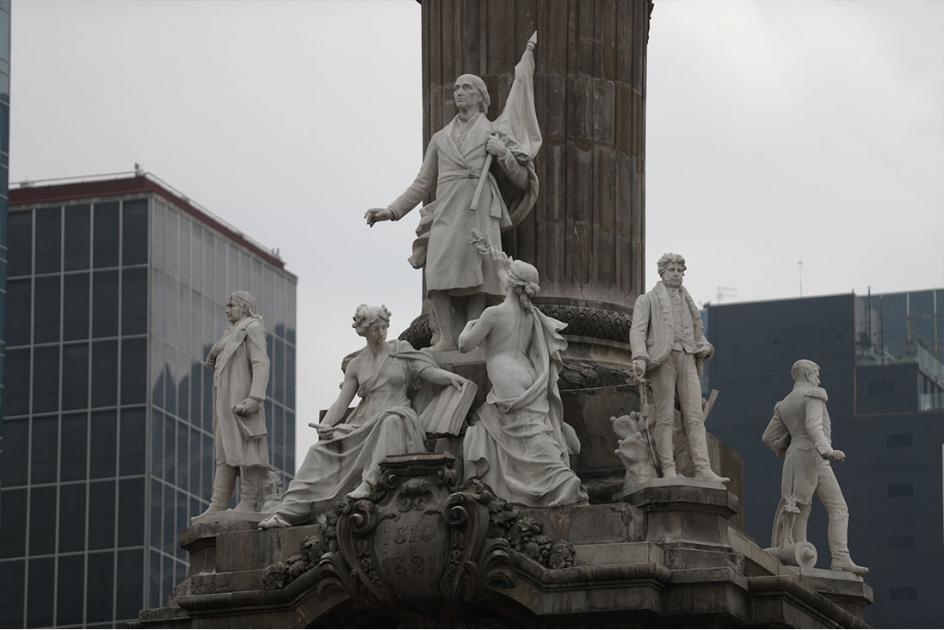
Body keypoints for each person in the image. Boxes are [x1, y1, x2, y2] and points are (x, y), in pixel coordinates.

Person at [364, 73, 538, 351]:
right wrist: (391, 211)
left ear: (481, 96)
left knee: (480, 275)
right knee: (436, 273)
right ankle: (446, 338)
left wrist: (503, 153)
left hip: (478, 208)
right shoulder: (440, 138)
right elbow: (422, 184)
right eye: (456, 88)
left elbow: (520, 179)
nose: (459, 92)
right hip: (447, 208)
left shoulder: (494, 132)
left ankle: (473, 337)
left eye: (466, 88)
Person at [259, 305, 467, 529]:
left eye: (384, 327)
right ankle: (288, 511)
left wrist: (449, 377)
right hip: (363, 421)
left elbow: (427, 372)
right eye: (376, 329)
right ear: (364, 331)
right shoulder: (356, 364)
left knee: (391, 422)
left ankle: (369, 482)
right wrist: (326, 424)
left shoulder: (401, 350)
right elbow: (342, 403)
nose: (381, 333)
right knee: (318, 451)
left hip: (398, 414)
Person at [458, 239, 587, 507]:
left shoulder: (492, 314)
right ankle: (555, 476)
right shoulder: (531, 315)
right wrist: (499, 264)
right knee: (532, 430)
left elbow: (464, 345)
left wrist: (470, 323)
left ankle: (559, 480)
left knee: (517, 433)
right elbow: (510, 282)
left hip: (505, 375)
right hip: (529, 376)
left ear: (511, 284)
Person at [762, 359, 868, 575]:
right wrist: (827, 450)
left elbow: (768, 437)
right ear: (809, 374)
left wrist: (787, 450)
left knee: (801, 507)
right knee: (837, 507)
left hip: (796, 455)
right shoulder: (814, 394)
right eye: (817, 374)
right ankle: (839, 557)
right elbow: (813, 427)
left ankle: (800, 553)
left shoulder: (783, 404)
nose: (819, 378)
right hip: (814, 454)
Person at [629, 253, 728, 483]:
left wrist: (704, 347)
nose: (676, 274)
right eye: (671, 269)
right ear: (662, 272)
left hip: (687, 357)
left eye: (679, 270)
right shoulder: (647, 300)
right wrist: (640, 357)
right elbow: (638, 331)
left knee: (695, 417)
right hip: (662, 359)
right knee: (665, 418)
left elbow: (697, 333)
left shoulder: (688, 301)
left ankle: (703, 468)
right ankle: (668, 468)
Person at [202, 290, 271, 514]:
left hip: (242, 400)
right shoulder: (228, 334)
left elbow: (261, 363)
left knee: (247, 449)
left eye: (231, 305)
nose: (227, 309)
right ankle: (218, 502)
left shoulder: (252, 328)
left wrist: (255, 397)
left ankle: (249, 500)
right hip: (225, 401)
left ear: (243, 307)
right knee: (224, 450)